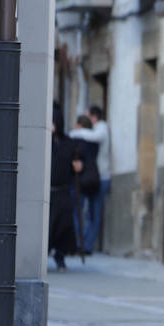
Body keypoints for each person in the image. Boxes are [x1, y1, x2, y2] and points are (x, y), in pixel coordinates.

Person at [69, 105, 111, 254]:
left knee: (93, 213)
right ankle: (83, 244)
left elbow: (94, 137)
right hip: (94, 176)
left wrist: (76, 132)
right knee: (89, 213)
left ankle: (86, 245)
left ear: (94, 117)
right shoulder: (94, 130)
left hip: (101, 177)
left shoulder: (101, 128)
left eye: (87, 115)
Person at [47, 104, 83, 271]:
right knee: (48, 227)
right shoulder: (45, 140)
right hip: (47, 192)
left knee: (64, 226)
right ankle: (43, 255)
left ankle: (60, 257)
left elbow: (79, 164)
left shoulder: (69, 144)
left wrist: (78, 166)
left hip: (63, 191)